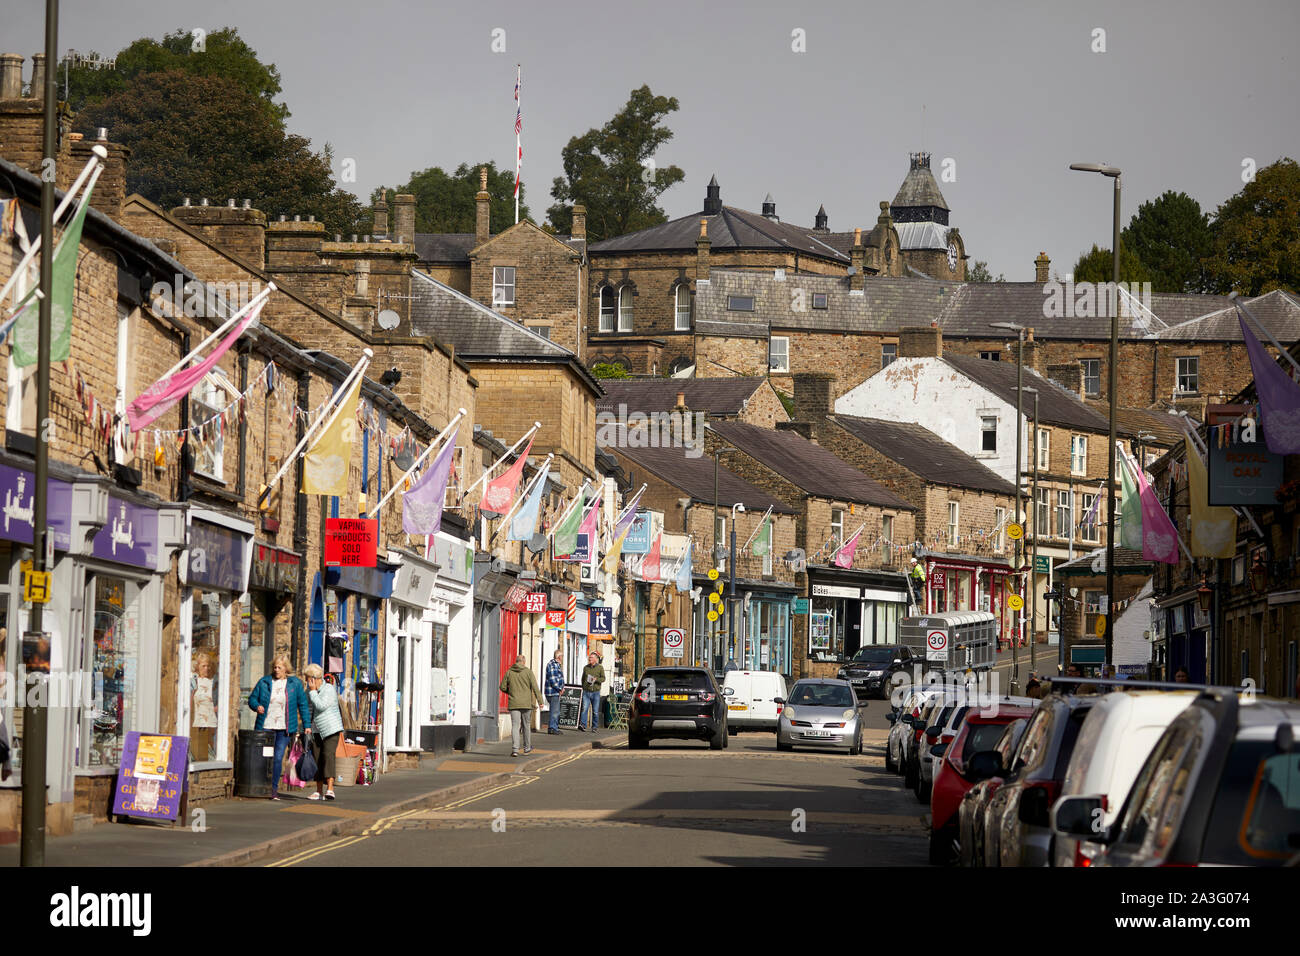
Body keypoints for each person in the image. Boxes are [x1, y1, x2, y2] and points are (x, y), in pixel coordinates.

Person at [248, 655, 311, 800]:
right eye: (275, 667)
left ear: (286, 669)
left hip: (284, 728)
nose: (276, 670)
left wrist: (306, 725)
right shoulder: (264, 682)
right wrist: (256, 706)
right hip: (265, 727)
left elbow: (303, 705)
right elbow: (252, 699)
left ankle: (273, 790)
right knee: (263, 758)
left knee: (277, 758)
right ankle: (260, 786)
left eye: (279, 667)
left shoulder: (294, 684)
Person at [303, 664, 343, 800]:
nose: (307, 682)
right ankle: (318, 791)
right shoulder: (309, 692)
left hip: (331, 729)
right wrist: (305, 726)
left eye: (308, 678)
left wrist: (313, 691)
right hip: (316, 730)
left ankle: (330, 789)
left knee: (328, 756)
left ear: (314, 679)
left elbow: (321, 706)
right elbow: (307, 709)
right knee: (317, 759)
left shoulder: (329, 689)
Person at [499, 654, 543, 757]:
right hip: (526, 704)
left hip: (514, 703)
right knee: (526, 726)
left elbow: (502, 687)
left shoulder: (509, 672)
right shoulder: (528, 672)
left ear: (516, 661)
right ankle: (527, 748)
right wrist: (540, 701)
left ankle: (515, 750)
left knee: (515, 726)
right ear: (523, 662)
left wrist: (511, 692)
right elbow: (535, 688)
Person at [579, 651, 605, 732]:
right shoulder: (586, 668)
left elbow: (603, 678)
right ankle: (583, 725)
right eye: (589, 657)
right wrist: (583, 687)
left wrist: (596, 679)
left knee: (595, 711)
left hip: (595, 692)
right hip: (586, 691)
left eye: (591, 658)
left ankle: (594, 727)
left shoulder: (600, 668)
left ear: (595, 659)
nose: (589, 659)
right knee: (584, 709)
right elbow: (583, 678)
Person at [544, 648, 565, 735]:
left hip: (555, 691)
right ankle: (552, 728)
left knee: (555, 711)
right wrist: (560, 688)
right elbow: (553, 680)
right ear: (559, 657)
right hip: (553, 692)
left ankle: (554, 727)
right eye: (562, 656)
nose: (562, 658)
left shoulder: (556, 665)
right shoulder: (553, 665)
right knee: (555, 711)